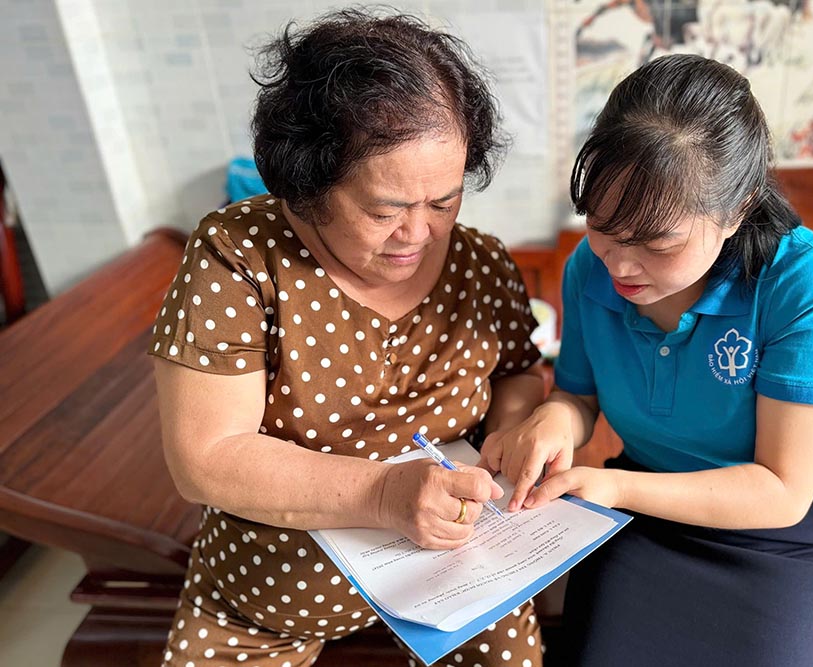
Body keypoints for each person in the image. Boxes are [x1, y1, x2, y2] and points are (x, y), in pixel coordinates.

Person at [149, 9, 546, 666]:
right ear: (309, 184)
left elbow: (519, 371)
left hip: (459, 573)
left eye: (444, 202)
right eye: (385, 211)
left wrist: (506, 440)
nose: (419, 233)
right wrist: (383, 495)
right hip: (273, 589)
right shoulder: (240, 258)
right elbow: (205, 456)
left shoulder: (479, 262)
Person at [480, 54, 813, 667]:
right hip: (641, 513)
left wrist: (608, 484)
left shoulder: (804, 281)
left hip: (776, 539)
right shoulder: (590, 268)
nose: (619, 265)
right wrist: (556, 421)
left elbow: (781, 490)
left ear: (737, 209)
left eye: (657, 244)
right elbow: (578, 398)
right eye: (602, 228)